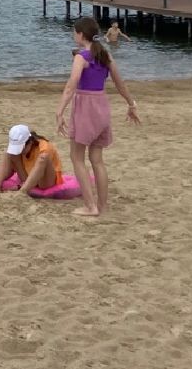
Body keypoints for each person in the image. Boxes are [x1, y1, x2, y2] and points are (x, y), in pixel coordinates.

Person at [56, 16, 140, 218]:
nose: (73, 35)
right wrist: (131, 104)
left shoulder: (81, 57)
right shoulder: (105, 55)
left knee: (77, 157)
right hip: (102, 106)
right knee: (97, 159)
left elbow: (71, 85)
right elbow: (120, 84)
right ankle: (102, 206)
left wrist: (59, 111)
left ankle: (90, 206)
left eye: (74, 32)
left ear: (80, 34)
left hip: (86, 107)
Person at [0, 124, 63, 195]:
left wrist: (19, 187)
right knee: (9, 154)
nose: (20, 151)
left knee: (43, 158)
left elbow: (43, 163)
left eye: (21, 148)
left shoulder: (44, 147)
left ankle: (22, 192)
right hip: (27, 178)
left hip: (45, 181)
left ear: (30, 142)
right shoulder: (23, 149)